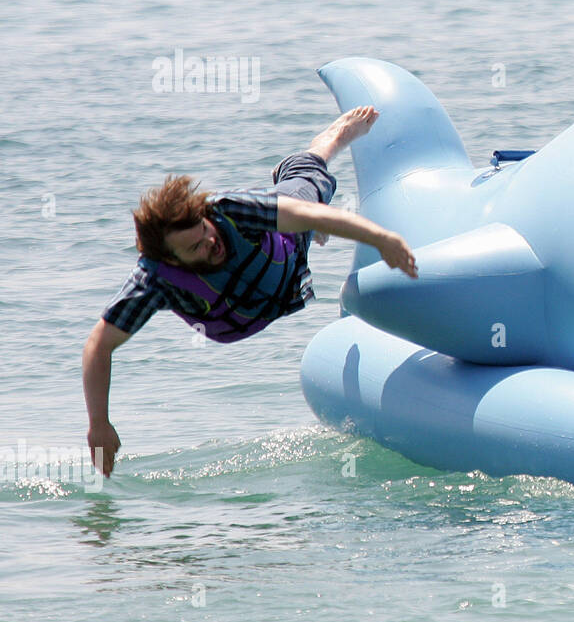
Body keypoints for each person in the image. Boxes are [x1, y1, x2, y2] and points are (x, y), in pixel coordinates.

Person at [82, 106, 419, 476]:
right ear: (172, 261)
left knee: (309, 185)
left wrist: (384, 239)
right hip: (248, 302)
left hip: (287, 242)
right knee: (307, 216)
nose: (212, 242)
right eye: (196, 248)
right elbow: (100, 344)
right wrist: (100, 422)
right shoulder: (154, 281)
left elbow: (310, 216)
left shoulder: (231, 212)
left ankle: (337, 133)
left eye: (206, 231)